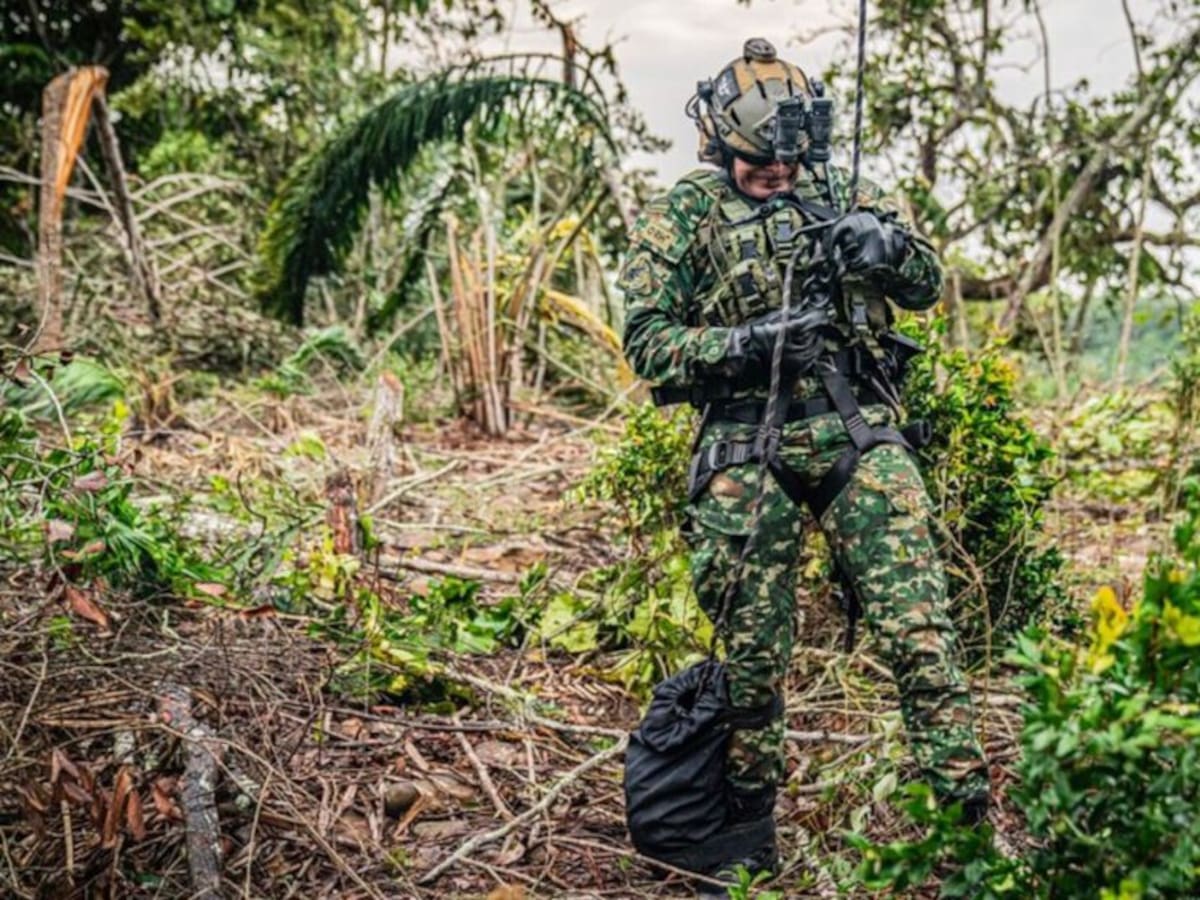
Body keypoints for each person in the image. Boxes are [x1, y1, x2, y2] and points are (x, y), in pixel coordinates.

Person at [618, 38, 990, 890]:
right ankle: (747, 838)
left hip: (855, 429)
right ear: (722, 145)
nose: (777, 175)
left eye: (788, 161)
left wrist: (883, 246)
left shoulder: (845, 189)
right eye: (759, 164)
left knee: (921, 633)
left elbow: (926, 284)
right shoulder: (683, 214)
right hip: (745, 441)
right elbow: (647, 342)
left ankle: (966, 832)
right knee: (752, 658)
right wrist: (747, 342)